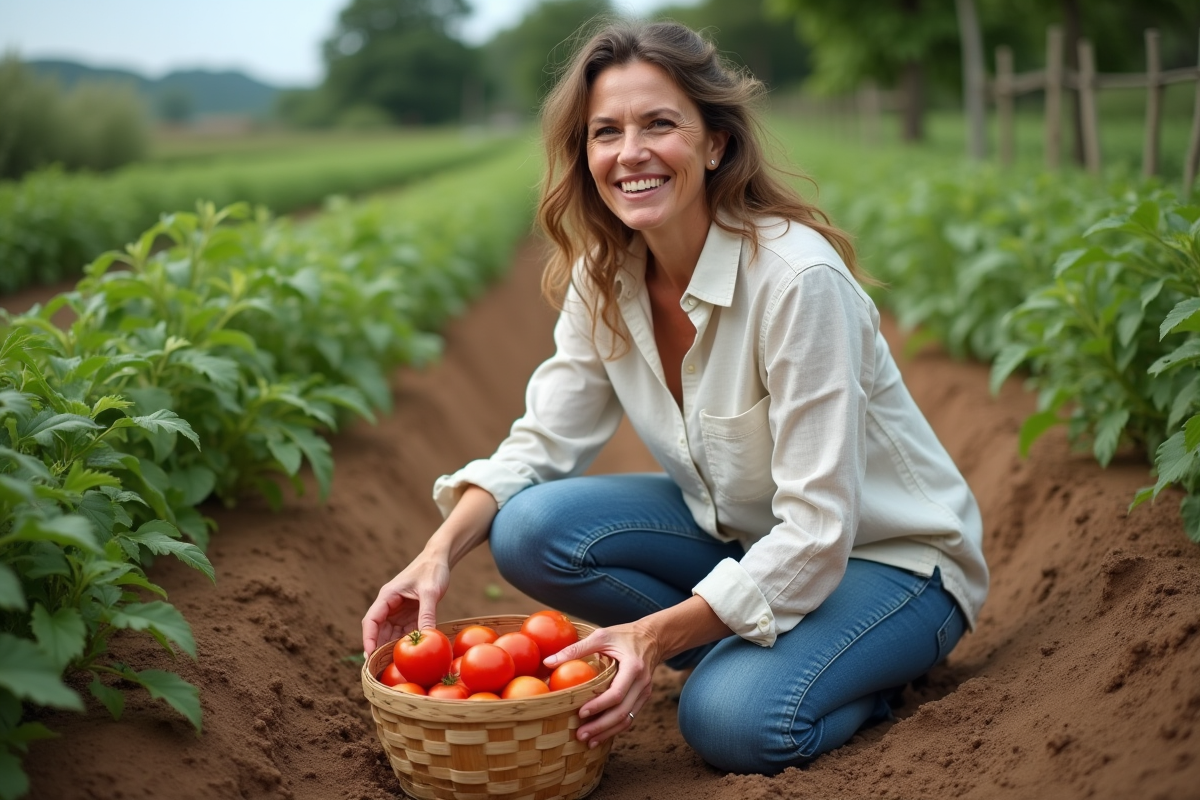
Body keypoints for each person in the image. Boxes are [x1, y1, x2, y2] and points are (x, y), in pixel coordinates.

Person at [362, 18, 988, 775]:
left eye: (659, 124)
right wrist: (434, 557)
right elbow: (540, 444)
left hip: (891, 562)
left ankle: (853, 676)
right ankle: (749, 645)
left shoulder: (796, 283)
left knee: (729, 722)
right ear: (584, 153)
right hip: (755, 540)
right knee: (527, 528)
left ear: (714, 142)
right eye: (606, 132)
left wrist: (654, 637)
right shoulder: (605, 276)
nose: (631, 153)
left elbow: (821, 529)